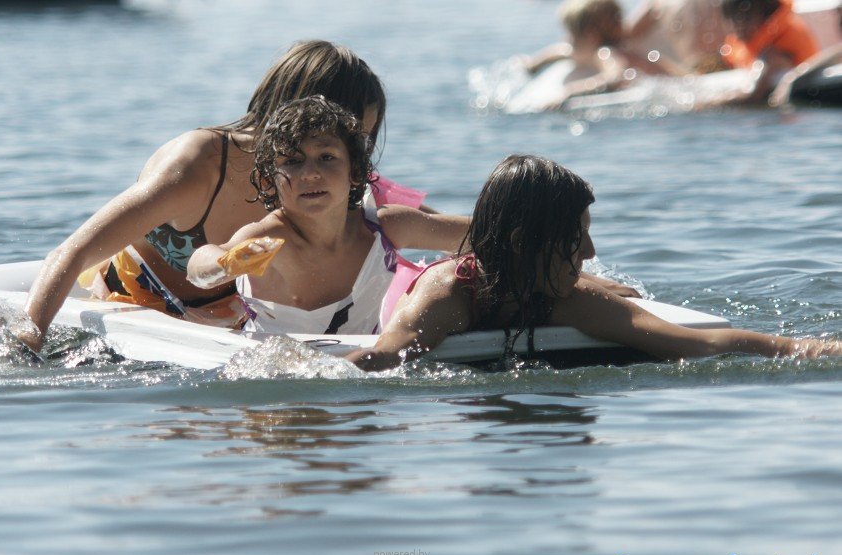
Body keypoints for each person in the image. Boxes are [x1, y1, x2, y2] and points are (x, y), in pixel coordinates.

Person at [17, 40, 435, 353]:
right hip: (133, 312)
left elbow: (426, 224)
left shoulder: (324, 177)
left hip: (226, 332)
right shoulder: (198, 165)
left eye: (361, 139)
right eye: (352, 133)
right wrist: (28, 338)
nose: (357, 148)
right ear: (304, 112)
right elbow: (72, 251)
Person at [347, 155, 841, 371]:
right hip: (420, 289)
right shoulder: (446, 297)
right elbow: (385, 355)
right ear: (523, 241)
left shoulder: (562, 298)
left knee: (606, 289)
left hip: (520, 279)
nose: (590, 251)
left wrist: (818, 350)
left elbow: (702, 343)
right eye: (575, 239)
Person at [186, 96, 469, 335]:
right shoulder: (266, 239)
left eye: (326, 157)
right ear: (267, 182)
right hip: (278, 391)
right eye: (292, 162)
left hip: (364, 388)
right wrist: (226, 263)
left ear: (356, 173)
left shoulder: (386, 228)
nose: (311, 173)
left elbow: (487, 234)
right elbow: (198, 267)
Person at [522, 0, 680, 107]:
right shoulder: (581, 50)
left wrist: (570, 92)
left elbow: (614, 77)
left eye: (571, 33)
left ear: (591, 35)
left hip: (678, 82)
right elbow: (561, 51)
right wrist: (533, 64)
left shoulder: (606, 53)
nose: (567, 39)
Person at [720, 0, 820, 101]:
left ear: (766, 16)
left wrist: (713, 103)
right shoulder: (744, 45)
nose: (739, 26)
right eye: (733, 19)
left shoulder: (778, 46)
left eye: (746, 19)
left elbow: (754, 93)